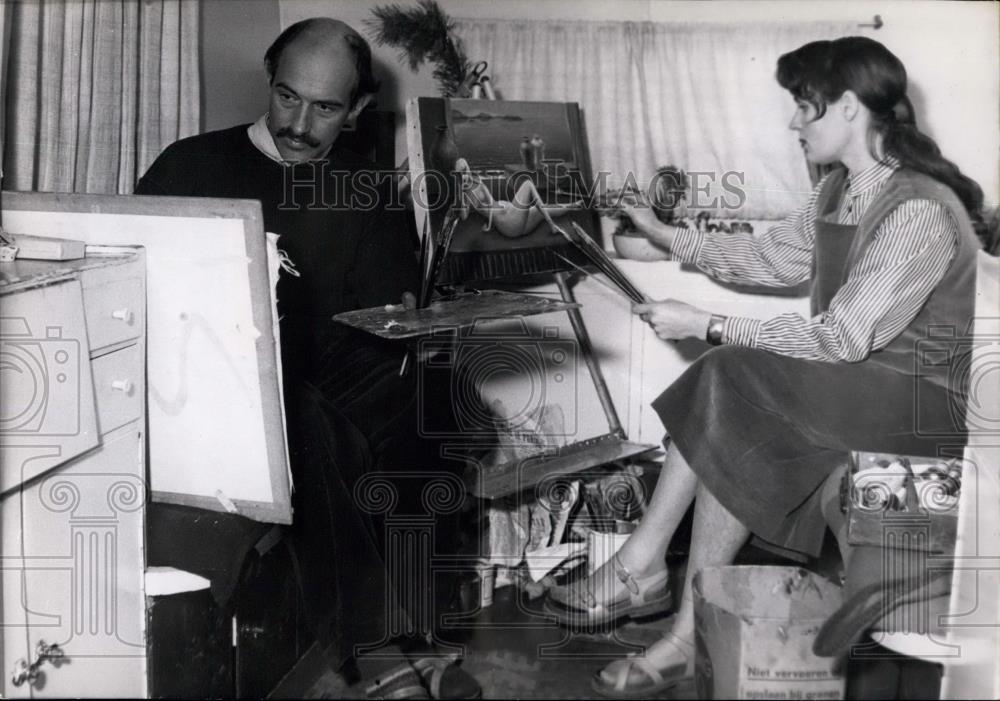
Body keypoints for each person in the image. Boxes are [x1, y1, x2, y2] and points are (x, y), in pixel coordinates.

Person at [544, 36, 985, 698]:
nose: (793, 123)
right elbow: (773, 258)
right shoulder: (840, 188)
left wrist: (708, 323)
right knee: (735, 410)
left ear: (846, 108)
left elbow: (841, 336)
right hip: (857, 392)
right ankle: (681, 634)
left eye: (804, 108)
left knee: (728, 368)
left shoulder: (918, 208)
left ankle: (641, 565)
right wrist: (666, 236)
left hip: (918, 411)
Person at [136, 18, 480, 700]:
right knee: (290, 406)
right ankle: (383, 651)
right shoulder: (187, 165)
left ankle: (422, 632)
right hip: (202, 392)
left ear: (354, 112)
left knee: (439, 396)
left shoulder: (369, 190)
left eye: (324, 108)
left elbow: (382, 331)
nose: (298, 123)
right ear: (270, 81)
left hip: (329, 386)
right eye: (288, 97)